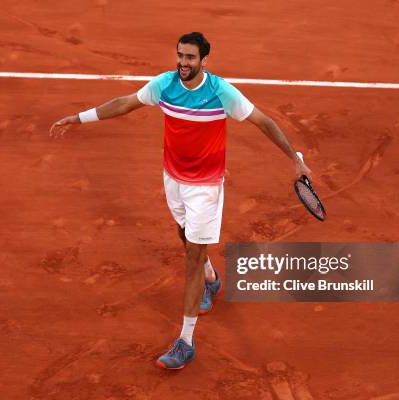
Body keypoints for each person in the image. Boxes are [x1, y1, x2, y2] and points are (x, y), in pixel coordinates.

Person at [50, 32, 312, 370]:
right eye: (180, 56)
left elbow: (264, 122)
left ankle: (185, 341)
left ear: (204, 60)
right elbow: (126, 103)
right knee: (183, 235)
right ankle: (211, 279)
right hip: (172, 179)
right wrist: (80, 117)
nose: (183, 63)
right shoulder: (164, 85)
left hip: (205, 188)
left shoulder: (221, 92)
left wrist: (295, 159)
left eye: (190, 58)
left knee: (191, 256)